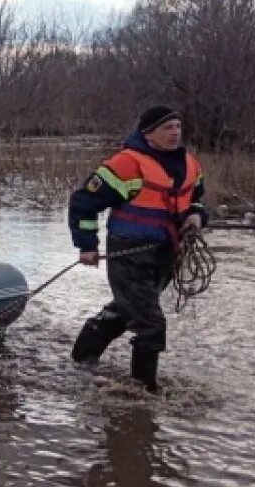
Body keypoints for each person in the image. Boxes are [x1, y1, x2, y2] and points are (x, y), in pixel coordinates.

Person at [66, 105, 208, 392]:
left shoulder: (190, 164)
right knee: (150, 322)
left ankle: (81, 360)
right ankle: (144, 395)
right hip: (129, 253)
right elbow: (83, 202)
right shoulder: (127, 163)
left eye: (178, 126)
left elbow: (196, 199)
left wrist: (196, 215)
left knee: (126, 310)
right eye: (167, 128)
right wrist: (87, 246)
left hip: (165, 252)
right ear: (149, 133)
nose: (175, 133)